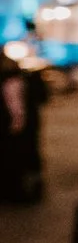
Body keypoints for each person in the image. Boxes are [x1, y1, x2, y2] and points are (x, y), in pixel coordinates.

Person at [0, 51, 48, 205]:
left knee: (17, 160)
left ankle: (22, 192)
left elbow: (17, 109)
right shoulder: (25, 79)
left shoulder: (14, 81)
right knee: (24, 159)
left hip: (16, 130)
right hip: (25, 129)